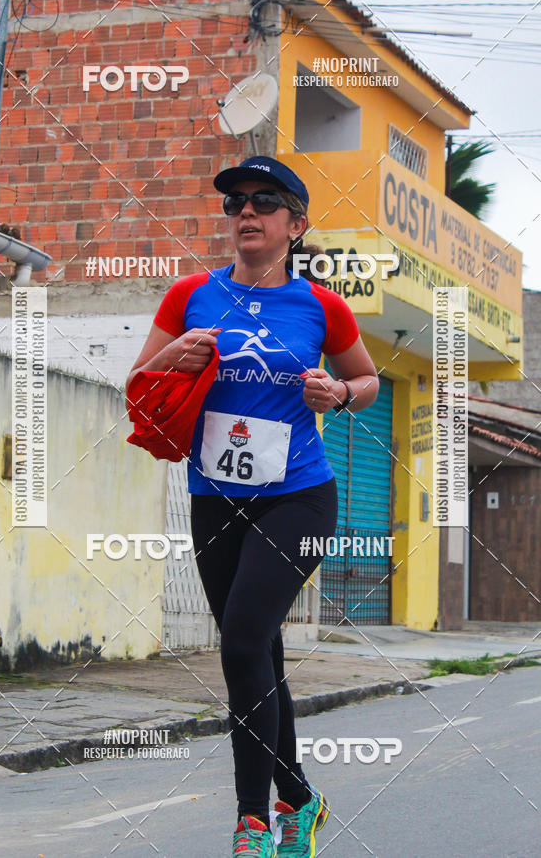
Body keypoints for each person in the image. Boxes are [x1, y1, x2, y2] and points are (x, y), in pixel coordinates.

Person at [126, 156, 379, 857]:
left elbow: (367, 380)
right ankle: (302, 801)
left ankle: (253, 822)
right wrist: (173, 354)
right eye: (236, 201)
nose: (246, 212)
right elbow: (139, 380)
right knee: (258, 651)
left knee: (239, 641)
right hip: (214, 497)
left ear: (294, 226)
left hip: (299, 497)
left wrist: (340, 394)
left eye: (264, 201)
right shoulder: (189, 295)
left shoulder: (321, 306)